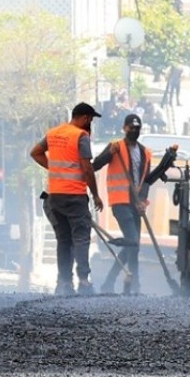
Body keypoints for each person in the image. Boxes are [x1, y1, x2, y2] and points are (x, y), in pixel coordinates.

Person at [30, 102, 103, 297]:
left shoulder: (53, 133)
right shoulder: (81, 136)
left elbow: (35, 152)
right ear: (86, 118)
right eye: (91, 120)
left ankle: (64, 283)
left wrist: (54, 170)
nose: (91, 124)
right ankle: (84, 282)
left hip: (54, 196)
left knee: (64, 240)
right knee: (81, 238)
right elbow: (87, 169)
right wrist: (95, 195)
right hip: (75, 196)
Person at [92, 114, 155, 295]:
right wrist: (108, 153)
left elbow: (147, 180)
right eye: (131, 127)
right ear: (124, 128)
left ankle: (114, 284)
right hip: (120, 201)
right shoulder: (116, 147)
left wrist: (143, 200)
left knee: (133, 244)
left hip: (136, 204)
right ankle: (132, 286)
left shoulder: (146, 153)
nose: (134, 131)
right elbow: (95, 165)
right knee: (133, 242)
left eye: (137, 128)